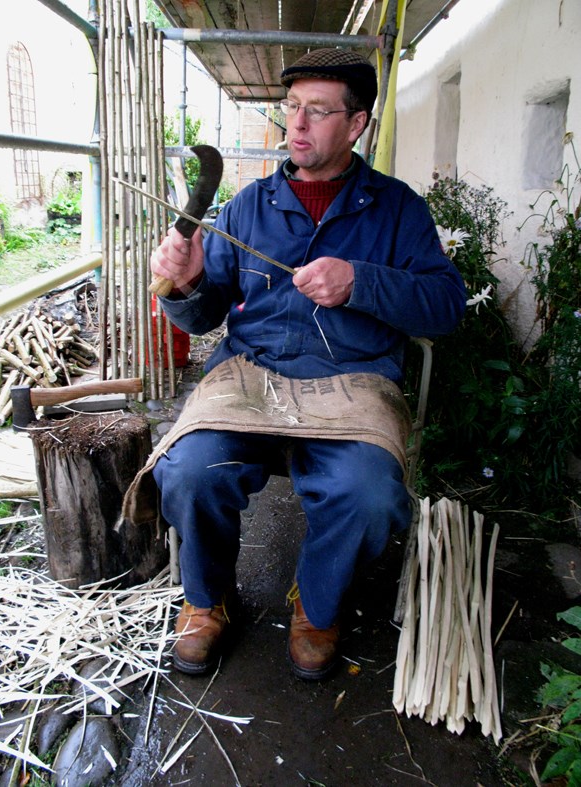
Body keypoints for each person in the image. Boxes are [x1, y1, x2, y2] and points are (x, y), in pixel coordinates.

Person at [145, 48, 466, 680]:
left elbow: (445, 307)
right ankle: (207, 601)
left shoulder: (398, 211)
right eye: (293, 107)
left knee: (369, 496)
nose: (297, 124)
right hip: (253, 376)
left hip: (353, 384)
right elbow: (205, 315)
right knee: (187, 470)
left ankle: (316, 605)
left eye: (318, 111)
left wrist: (361, 281)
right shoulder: (247, 206)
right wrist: (183, 287)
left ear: (356, 124)